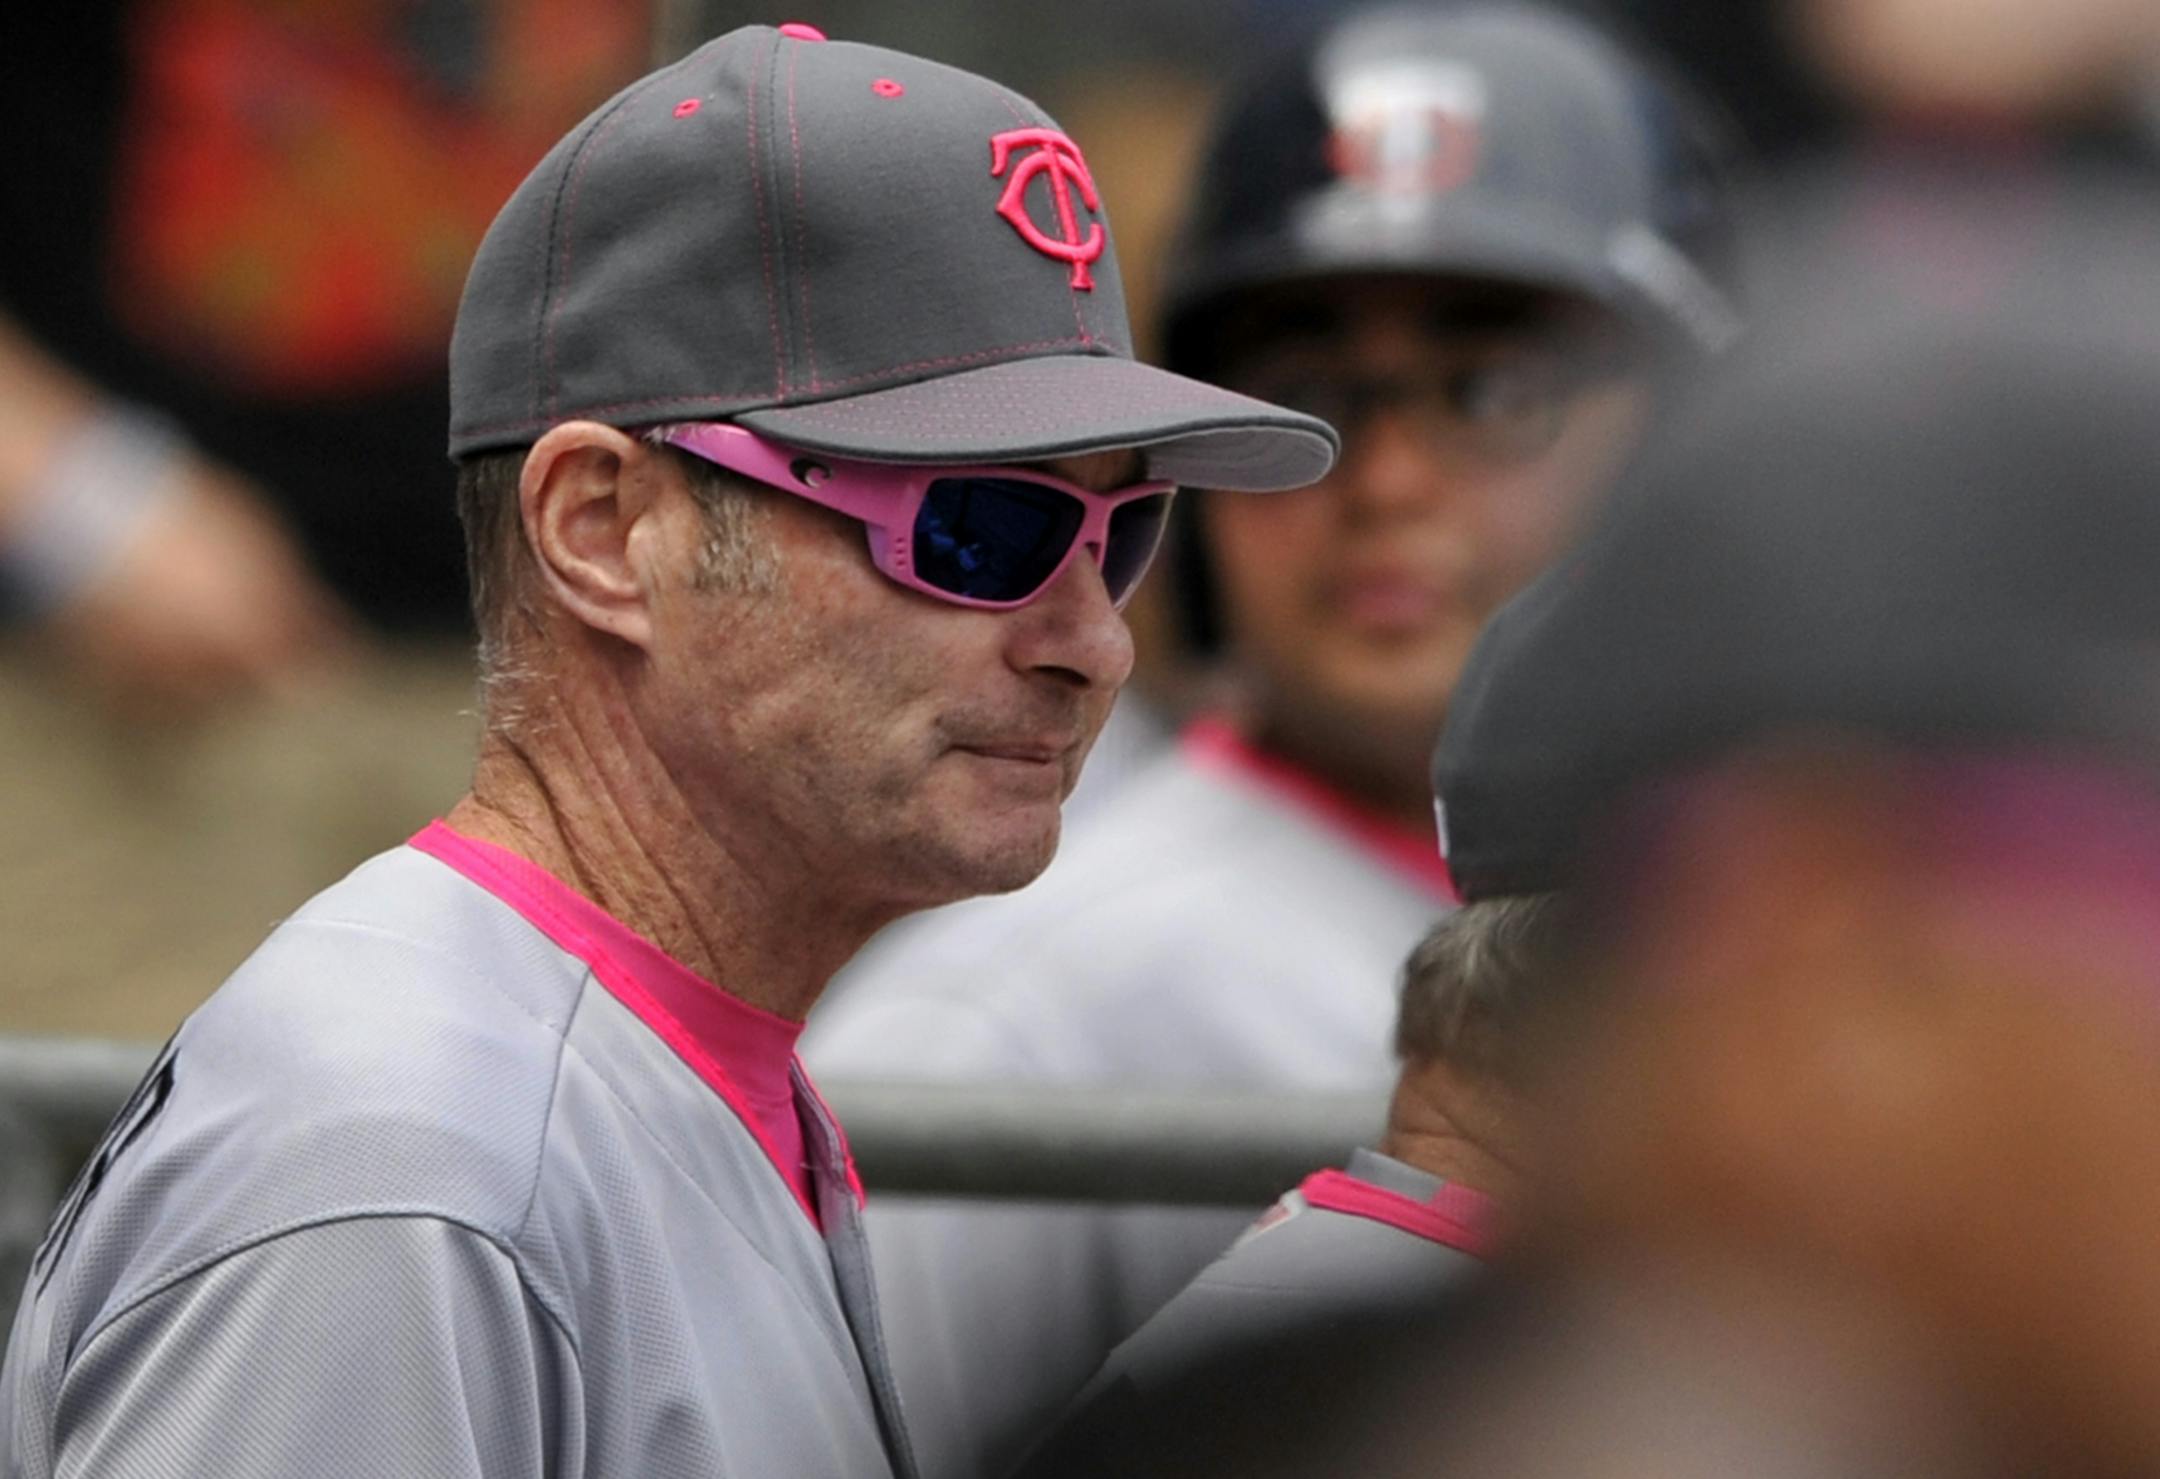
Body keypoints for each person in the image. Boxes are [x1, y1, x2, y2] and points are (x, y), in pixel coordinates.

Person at [0, 23, 1333, 1478]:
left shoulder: (648, 1074)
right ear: (604, 530)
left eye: (1116, 532)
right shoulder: (401, 1173)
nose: (1096, 640)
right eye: (980, 527)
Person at [801, 5, 1742, 1472]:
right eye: (1303, 394)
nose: (1388, 479)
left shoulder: (1812, 915)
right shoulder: (1015, 1004)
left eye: (1498, 387)